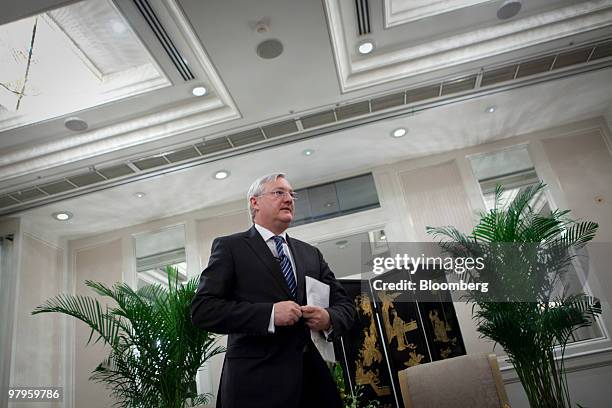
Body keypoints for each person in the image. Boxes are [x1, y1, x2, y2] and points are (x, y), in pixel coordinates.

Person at [191, 173, 355, 408]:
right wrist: (269, 314)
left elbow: (346, 306)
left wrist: (328, 317)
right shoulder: (230, 247)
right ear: (254, 203)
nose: (289, 199)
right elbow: (203, 310)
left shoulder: (311, 254)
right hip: (255, 386)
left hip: (314, 384)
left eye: (291, 194)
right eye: (279, 192)